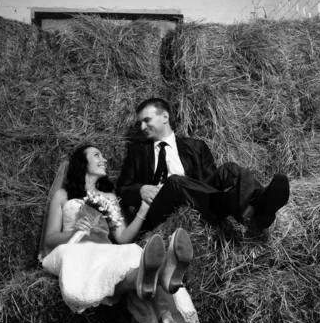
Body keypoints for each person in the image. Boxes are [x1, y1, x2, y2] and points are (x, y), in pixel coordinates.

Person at [40, 143, 201, 323]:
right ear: (82, 163)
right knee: (104, 262)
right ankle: (163, 275)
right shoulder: (63, 195)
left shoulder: (108, 197)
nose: (104, 159)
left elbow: (123, 237)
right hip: (73, 248)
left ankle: (156, 276)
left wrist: (143, 210)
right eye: (97, 155)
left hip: (105, 250)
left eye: (103, 155)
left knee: (132, 252)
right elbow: (49, 240)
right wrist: (75, 232)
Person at [116, 98, 290, 231]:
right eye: (140, 122)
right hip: (159, 210)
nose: (142, 126)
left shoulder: (195, 146)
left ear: (164, 117)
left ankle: (261, 203)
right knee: (175, 181)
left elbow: (211, 184)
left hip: (194, 202)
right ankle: (245, 206)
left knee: (228, 169)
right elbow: (121, 189)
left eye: (146, 120)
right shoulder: (137, 152)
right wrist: (140, 190)